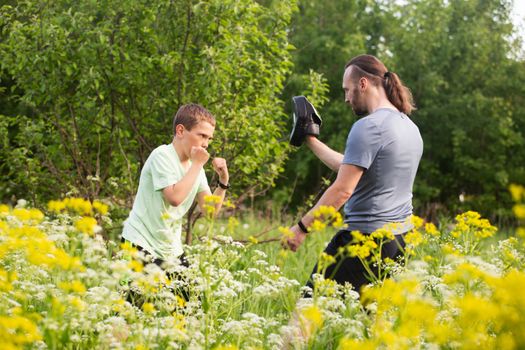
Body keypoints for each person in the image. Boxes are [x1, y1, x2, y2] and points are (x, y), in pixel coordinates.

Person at [285, 54, 423, 294]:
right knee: (368, 324)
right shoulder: (408, 126)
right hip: (399, 241)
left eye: (347, 90)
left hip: (363, 240)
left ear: (363, 84)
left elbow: (343, 189)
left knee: (306, 314)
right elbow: (351, 166)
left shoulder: (368, 126)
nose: (347, 99)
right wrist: (310, 140)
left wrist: (302, 228)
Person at [121, 103, 230, 269]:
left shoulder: (196, 166)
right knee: (135, 295)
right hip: (139, 243)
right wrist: (197, 165)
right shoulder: (162, 156)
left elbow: (210, 212)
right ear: (180, 131)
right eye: (201, 135)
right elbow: (174, 198)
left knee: (189, 295)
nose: (206, 143)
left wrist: (223, 181)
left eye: (209, 138)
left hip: (170, 250)